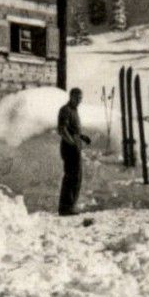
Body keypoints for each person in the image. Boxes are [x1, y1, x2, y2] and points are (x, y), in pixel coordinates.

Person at [57, 87, 91, 216]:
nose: (79, 101)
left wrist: (82, 137)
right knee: (71, 177)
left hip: (75, 147)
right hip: (69, 148)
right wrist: (71, 143)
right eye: (77, 98)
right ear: (71, 97)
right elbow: (62, 129)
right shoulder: (65, 110)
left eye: (81, 98)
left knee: (77, 177)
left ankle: (71, 206)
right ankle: (65, 208)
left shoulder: (74, 111)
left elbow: (74, 130)